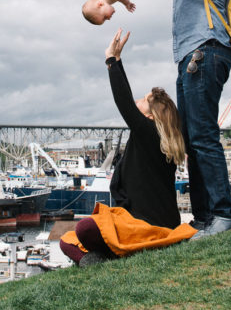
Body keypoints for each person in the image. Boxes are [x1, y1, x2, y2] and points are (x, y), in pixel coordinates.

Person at [97, 0, 231, 238]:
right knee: (193, 139)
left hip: (206, 50)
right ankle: (205, 219)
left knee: (203, 135)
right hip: (190, 57)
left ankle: (223, 215)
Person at [59, 29, 194, 266]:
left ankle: (105, 256)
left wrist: (112, 60)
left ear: (153, 117)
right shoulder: (155, 139)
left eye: (143, 101)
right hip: (145, 223)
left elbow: (123, 101)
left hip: (144, 225)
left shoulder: (149, 135)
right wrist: (118, 61)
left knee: (84, 228)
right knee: (66, 240)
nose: (136, 102)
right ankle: (102, 258)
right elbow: (129, 104)